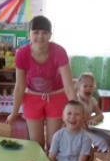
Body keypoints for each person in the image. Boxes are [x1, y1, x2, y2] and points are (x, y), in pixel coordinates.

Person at [6, 15, 77, 150]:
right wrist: (14, 112)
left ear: (50, 35)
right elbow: (20, 86)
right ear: (29, 35)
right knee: (36, 143)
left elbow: (69, 87)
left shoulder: (59, 52)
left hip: (56, 96)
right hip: (33, 97)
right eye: (36, 32)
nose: (40, 36)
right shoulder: (22, 54)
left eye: (44, 32)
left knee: (53, 142)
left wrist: (76, 110)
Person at [76, 71, 110, 153]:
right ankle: (102, 159)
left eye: (91, 86)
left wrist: (94, 119)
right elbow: (79, 120)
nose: (88, 88)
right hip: (79, 131)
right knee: (102, 142)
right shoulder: (76, 101)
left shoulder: (92, 100)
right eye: (85, 86)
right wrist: (91, 118)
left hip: (89, 128)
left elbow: (100, 115)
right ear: (79, 88)